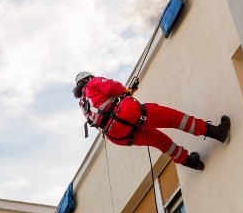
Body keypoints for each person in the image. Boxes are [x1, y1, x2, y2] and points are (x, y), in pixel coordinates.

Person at [73, 71, 230, 171]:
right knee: (172, 118)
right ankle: (216, 132)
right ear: (88, 78)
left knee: (158, 140)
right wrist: (126, 91)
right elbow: (112, 87)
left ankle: (190, 162)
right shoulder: (93, 83)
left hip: (116, 136)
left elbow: (104, 111)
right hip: (126, 113)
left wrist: (127, 93)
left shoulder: (83, 106)